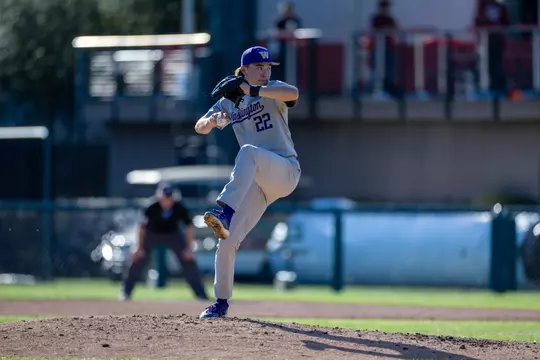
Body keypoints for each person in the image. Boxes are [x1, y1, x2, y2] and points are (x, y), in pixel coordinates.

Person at [194, 46, 301, 318]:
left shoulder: (272, 89)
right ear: (243, 70)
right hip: (259, 185)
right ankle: (220, 303)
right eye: (259, 68)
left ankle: (225, 211)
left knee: (248, 152)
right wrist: (213, 120)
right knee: (226, 242)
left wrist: (253, 90)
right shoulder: (230, 100)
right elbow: (200, 126)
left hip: (285, 170)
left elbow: (293, 94)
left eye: (268, 68)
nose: (266, 72)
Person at [119, 184, 209, 300]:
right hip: (152, 235)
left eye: (169, 198)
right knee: (137, 258)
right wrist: (138, 247)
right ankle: (125, 292)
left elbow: (188, 228)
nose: (167, 201)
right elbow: (141, 228)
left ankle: (201, 294)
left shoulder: (179, 207)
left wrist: (188, 248)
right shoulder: (151, 207)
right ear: (159, 197)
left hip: (173, 235)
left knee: (188, 259)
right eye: (164, 198)